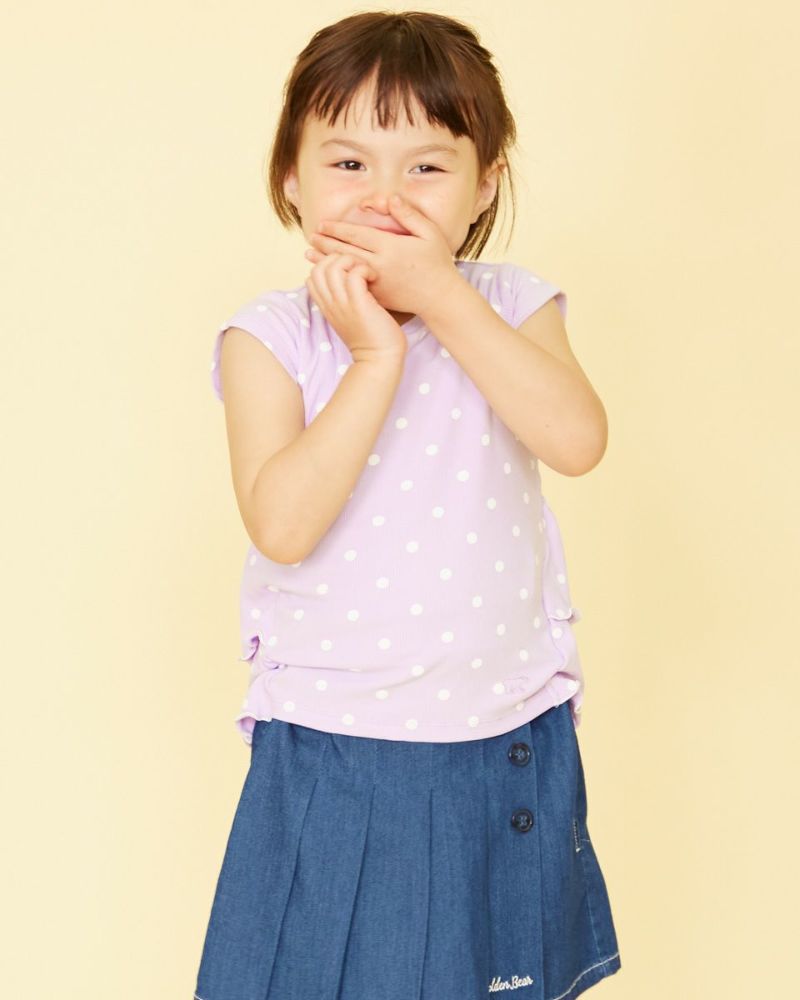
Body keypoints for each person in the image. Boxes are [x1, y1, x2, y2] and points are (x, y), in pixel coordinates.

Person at [194, 10, 621, 1000]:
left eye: (426, 168)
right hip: (338, 743)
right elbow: (282, 525)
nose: (385, 197)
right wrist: (375, 357)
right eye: (348, 163)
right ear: (291, 179)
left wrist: (440, 297)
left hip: (507, 733)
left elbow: (576, 440)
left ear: (484, 187)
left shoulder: (510, 304)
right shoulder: (270, 338)